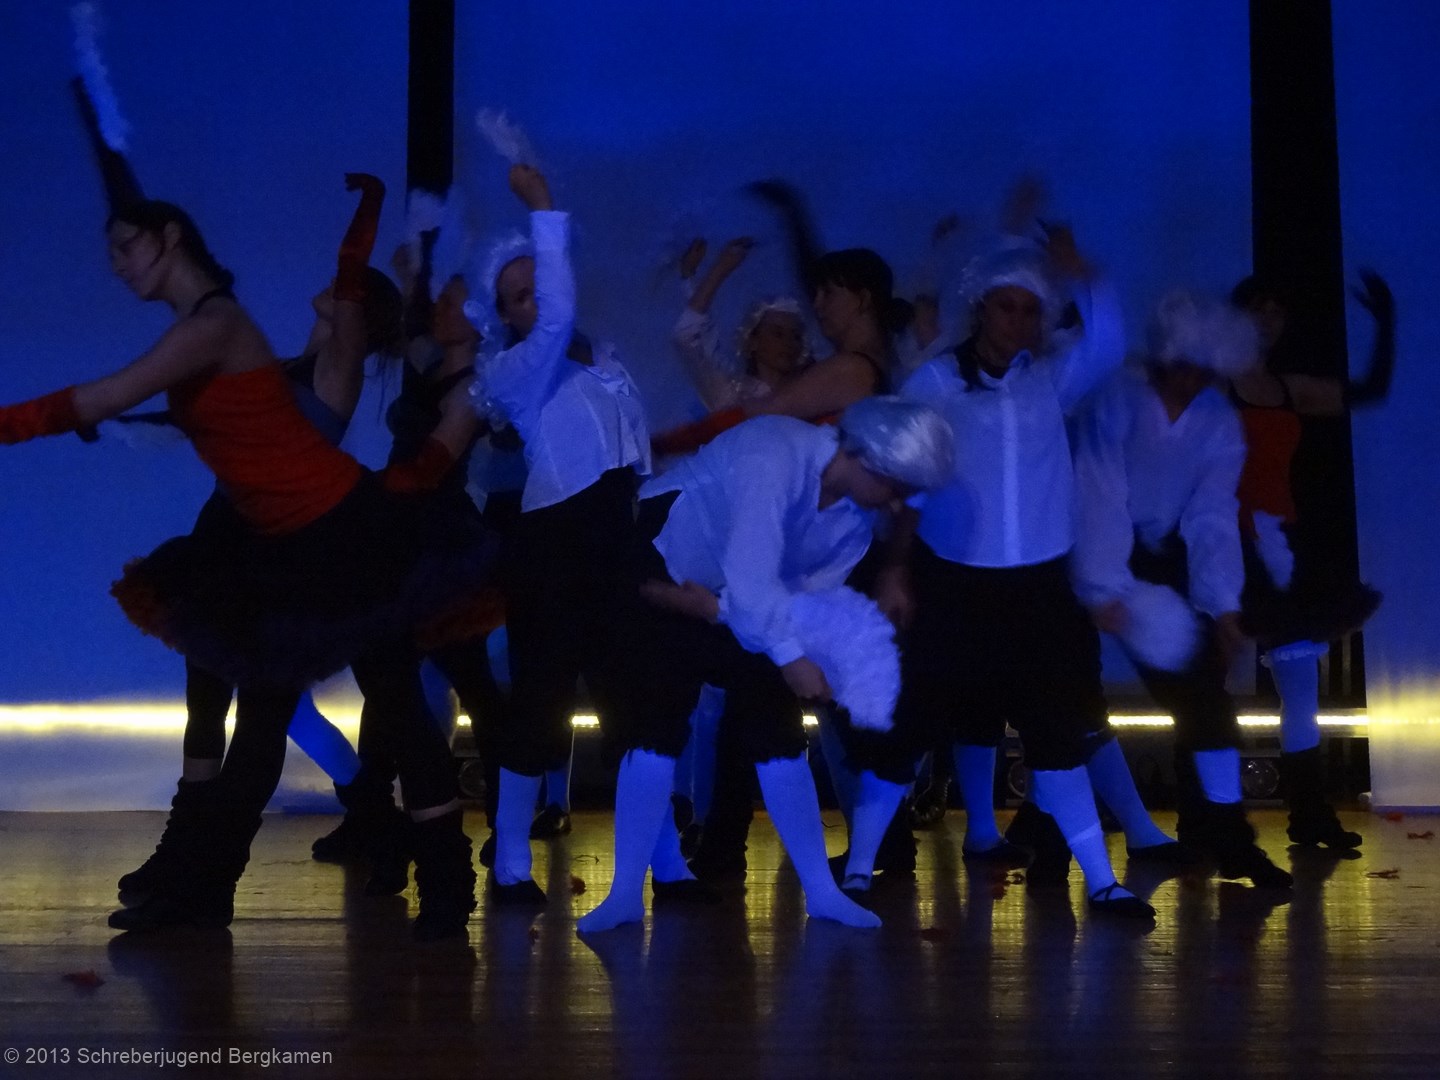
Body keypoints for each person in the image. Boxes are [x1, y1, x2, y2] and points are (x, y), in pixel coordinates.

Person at [0, 195, 493, 940]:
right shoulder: (242, 343)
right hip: (281, 550)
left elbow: (99, 396)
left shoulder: (233, 329)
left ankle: (444, 889)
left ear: (170, 239)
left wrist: (367, 211)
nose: (116, 264)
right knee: (266, 723)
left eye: (126, 246)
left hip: (345, 540)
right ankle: (206, 888)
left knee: (391, 710)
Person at [575, 397, 955, 932]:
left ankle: (822, 893)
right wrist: (782, 651)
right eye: (895, 487)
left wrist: (760, 632)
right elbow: (752, 576)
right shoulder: (774, 451)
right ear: (865, 458)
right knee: (654, 731)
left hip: (736, 604)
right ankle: (622, 897)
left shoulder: (855, 523)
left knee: (778, 734)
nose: (896, 505)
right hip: (666, 567)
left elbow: (795, 599)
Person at [869, 227, 1159, 916]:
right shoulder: (936, 381)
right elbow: (900, 472)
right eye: (1006, 307)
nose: (1019, 321)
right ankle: (858, 868)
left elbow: (1107, 342)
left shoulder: (1051, 379)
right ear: (981, 310)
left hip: (1038, 588)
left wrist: (1083, 270)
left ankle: (1102, 879)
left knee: (1057, 731)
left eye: (1031, 310)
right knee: (914, 725)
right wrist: (896, 568)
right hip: (955, 583)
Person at [469, 164, 651, 904]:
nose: (537, 299)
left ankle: (663, 863)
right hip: (554, 544)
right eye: (520, 294)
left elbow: (633, 451)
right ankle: (511, 859)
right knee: (541, 700)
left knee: (632, 703)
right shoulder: (516, 370)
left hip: (614, 536)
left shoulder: (602, 360)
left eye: (537, 283)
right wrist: (543, 208)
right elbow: (557, 315)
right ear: (505, 316)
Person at [1072, 290, 1294, 889]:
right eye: (1183, 365)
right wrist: (1101, 584)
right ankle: (1049, 838)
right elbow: (1097, 489)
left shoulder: (1219, 422)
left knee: (1205, 699)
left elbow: (1211, 514)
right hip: (1079, 549)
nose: (1192, 378)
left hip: (1159, 556)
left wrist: (1223, 606)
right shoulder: (1117, 400)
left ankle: (1228, 836)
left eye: (1204, 368)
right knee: (1068, 703)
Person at [1228, 271, 1392, 848]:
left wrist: (1386, 323)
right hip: (1221, 544)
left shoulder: (1286, 388)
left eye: (1276, 311)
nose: (1268, 320)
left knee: (1300, 690)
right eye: (1257, 308)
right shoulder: (1210, 386)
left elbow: (1368, 390)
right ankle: (1210, 820)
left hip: (1278, 547)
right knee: (1206, 689)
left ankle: (1310, 814)